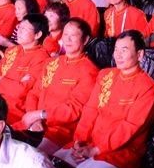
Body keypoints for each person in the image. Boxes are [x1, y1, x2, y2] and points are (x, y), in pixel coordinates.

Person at [54, 30, 154, 168]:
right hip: (89, 143)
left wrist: (96, 150)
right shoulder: (105, 75)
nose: (118, 55)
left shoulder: (148, 87)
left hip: (122, 151)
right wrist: (79, 141)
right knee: (54, 164)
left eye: (124, 50)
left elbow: (130, 127)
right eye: (116, 49)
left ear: (139, 55)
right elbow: (90, 110)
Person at [16, 18, 99, 155]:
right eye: (65, 34)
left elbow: (73, 109)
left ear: (85, 40)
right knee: (0, 142)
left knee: (30, 156)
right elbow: (34, 93)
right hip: (34, 122)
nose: (68, 39)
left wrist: (40, 114)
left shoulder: (89, 71)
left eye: (73, 35)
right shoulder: (51, 63)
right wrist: (35, 118)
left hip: (60, 130)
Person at [0, 13, 51, 122]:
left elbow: (20, 92)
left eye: (24, 29)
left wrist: (1, 79)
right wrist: (14, 83)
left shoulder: (42, 58)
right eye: (19, 27)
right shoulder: (12, 51)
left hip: (12, 112)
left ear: (37, 35)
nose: (19, 31)